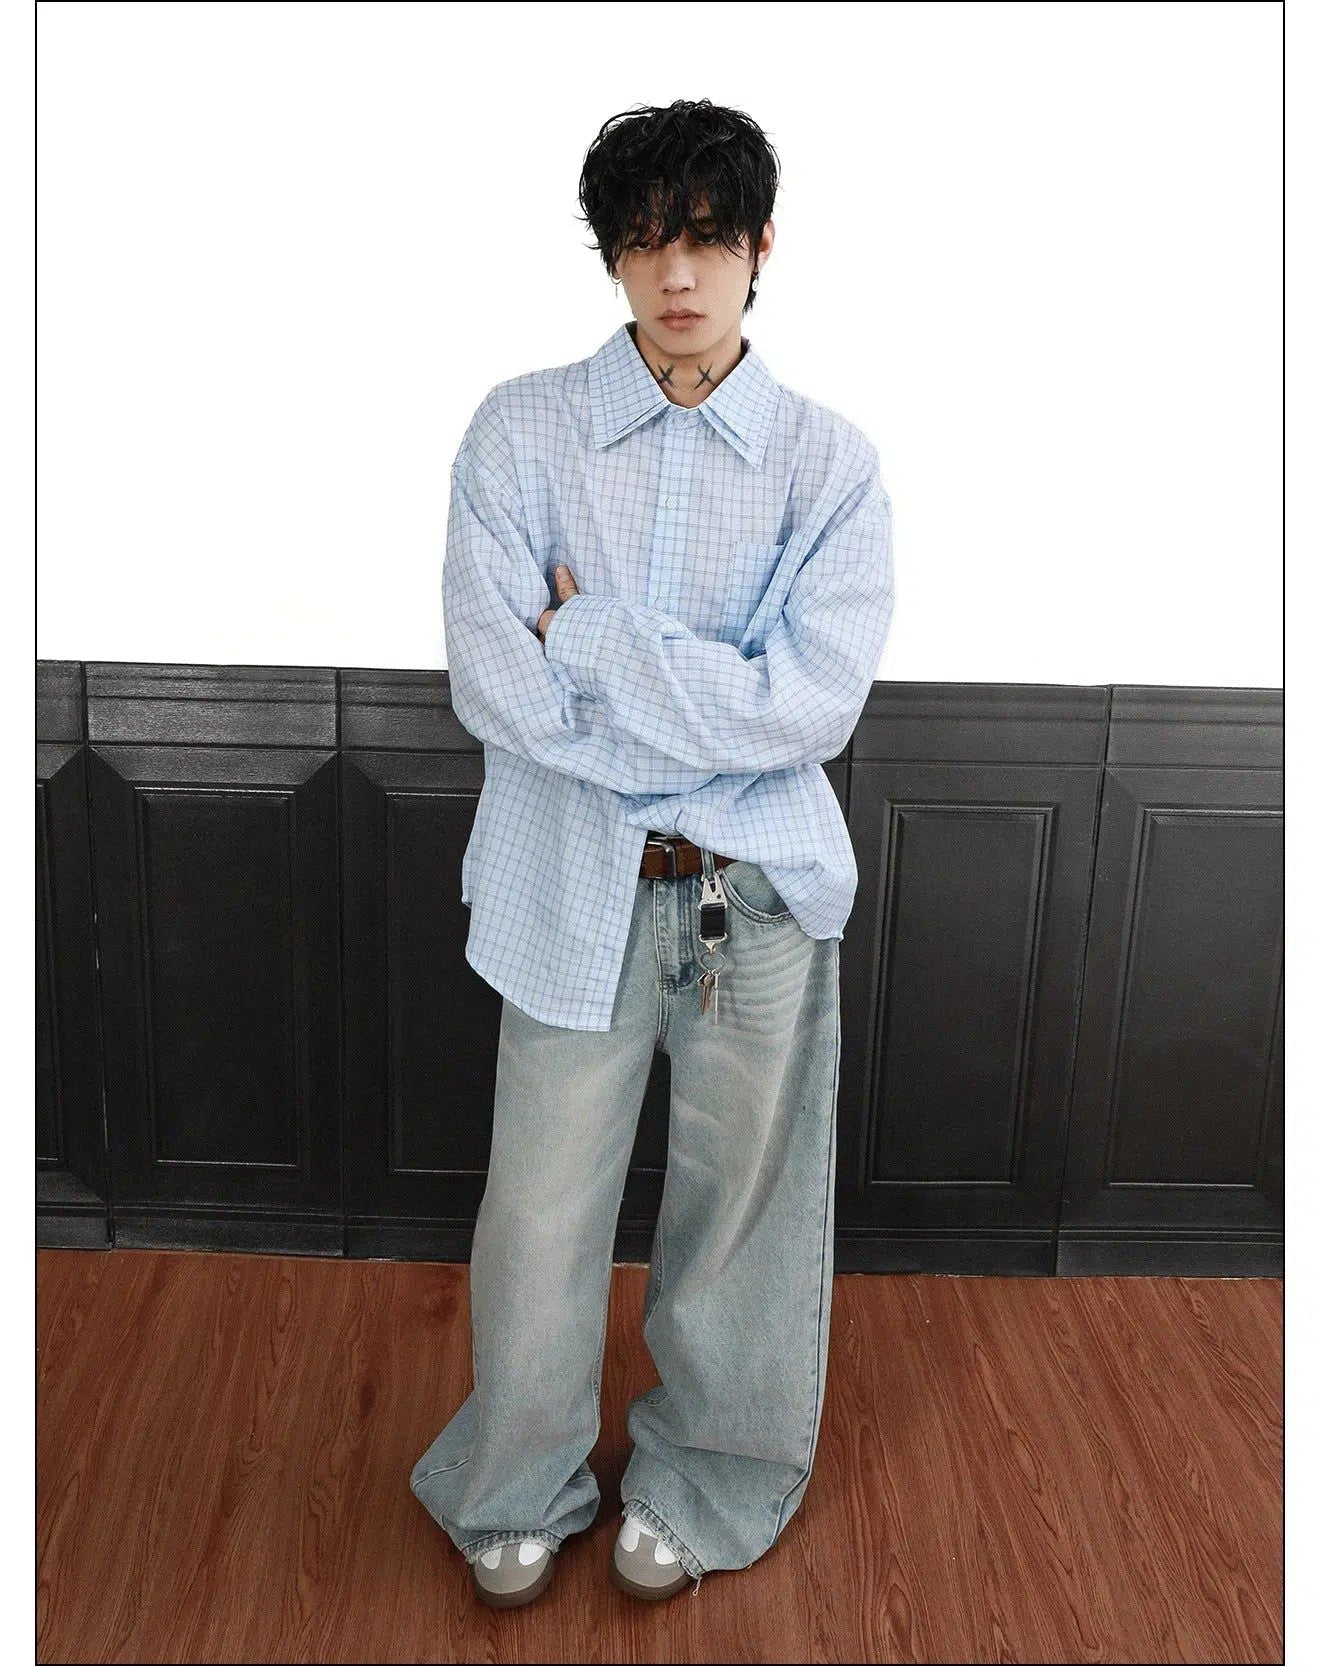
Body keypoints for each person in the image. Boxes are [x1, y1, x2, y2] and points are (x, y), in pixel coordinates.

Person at [409, 97, 895, 1609]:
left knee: (743, 1215)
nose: (676, 273)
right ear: (612, 256)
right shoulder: (518, 433)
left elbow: (810, 706)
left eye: (706, 237)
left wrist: (594, 638)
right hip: (564, 885)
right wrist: (711, 719)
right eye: (643, 240)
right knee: (539, 1206)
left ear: (760, 248)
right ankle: (516, 1481)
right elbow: (497, 687)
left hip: (758, 898)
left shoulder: (828, 465)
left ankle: (713, 1475)